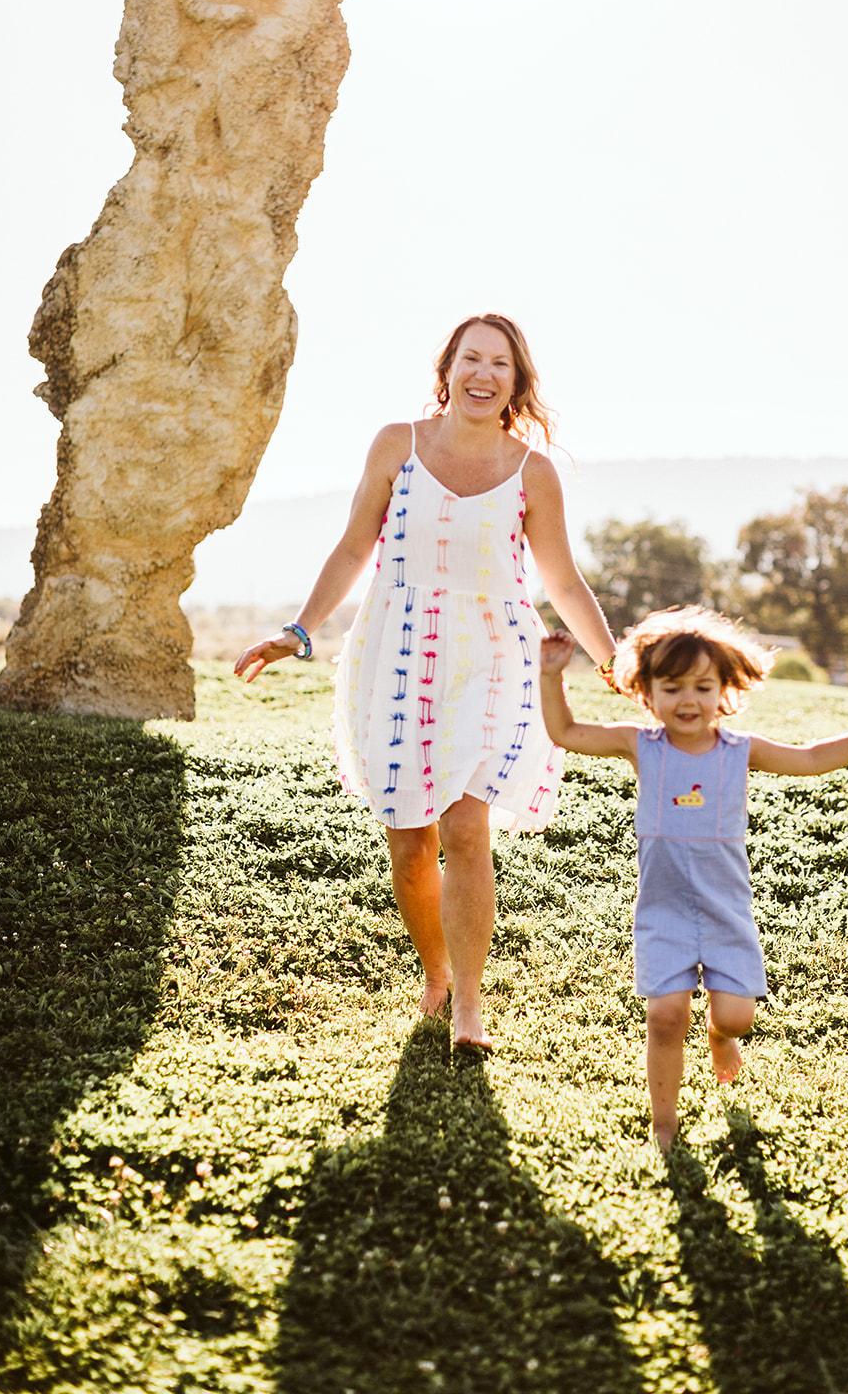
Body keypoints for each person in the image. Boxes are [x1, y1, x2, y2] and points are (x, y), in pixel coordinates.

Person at [235, 313, 617, 1052]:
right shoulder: (395, 445)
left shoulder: (530, 471)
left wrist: (611, 659)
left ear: (516, 381)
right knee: (410, 844)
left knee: (466, 827)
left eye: (499, 365)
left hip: (496, 656)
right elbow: (353, 548)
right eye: (470, 359)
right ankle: (436, 970)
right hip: (401, 652)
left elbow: (561, 580)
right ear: (446, 369)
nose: (483, 375)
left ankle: (469, 1004)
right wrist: (299, 629)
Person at [538, 606, 848, 1150]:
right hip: (663, 909)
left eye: (702, 687)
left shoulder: (742, 750)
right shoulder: (640, 745)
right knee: (665, 1017)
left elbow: (810, 760)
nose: (687, 700)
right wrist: (551, 675)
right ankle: (664, 1123)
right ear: (646, 690)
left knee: (736, 1019)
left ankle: (718, 1036)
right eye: (672, 687)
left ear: (724, 689)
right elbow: (565, 732)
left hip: (725, 909)